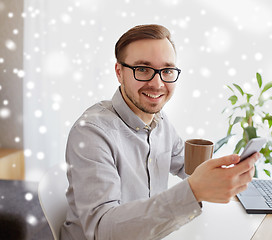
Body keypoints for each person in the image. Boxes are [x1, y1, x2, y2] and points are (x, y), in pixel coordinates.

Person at [60, 24, 259, 240]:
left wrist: (227, 173)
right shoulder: (92, 133)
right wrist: (193, 192)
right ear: (119, 72)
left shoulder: (159, 121)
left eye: (167, 71)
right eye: (143, 69)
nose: (158, 83)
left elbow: (187, 166)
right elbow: (102, 230)